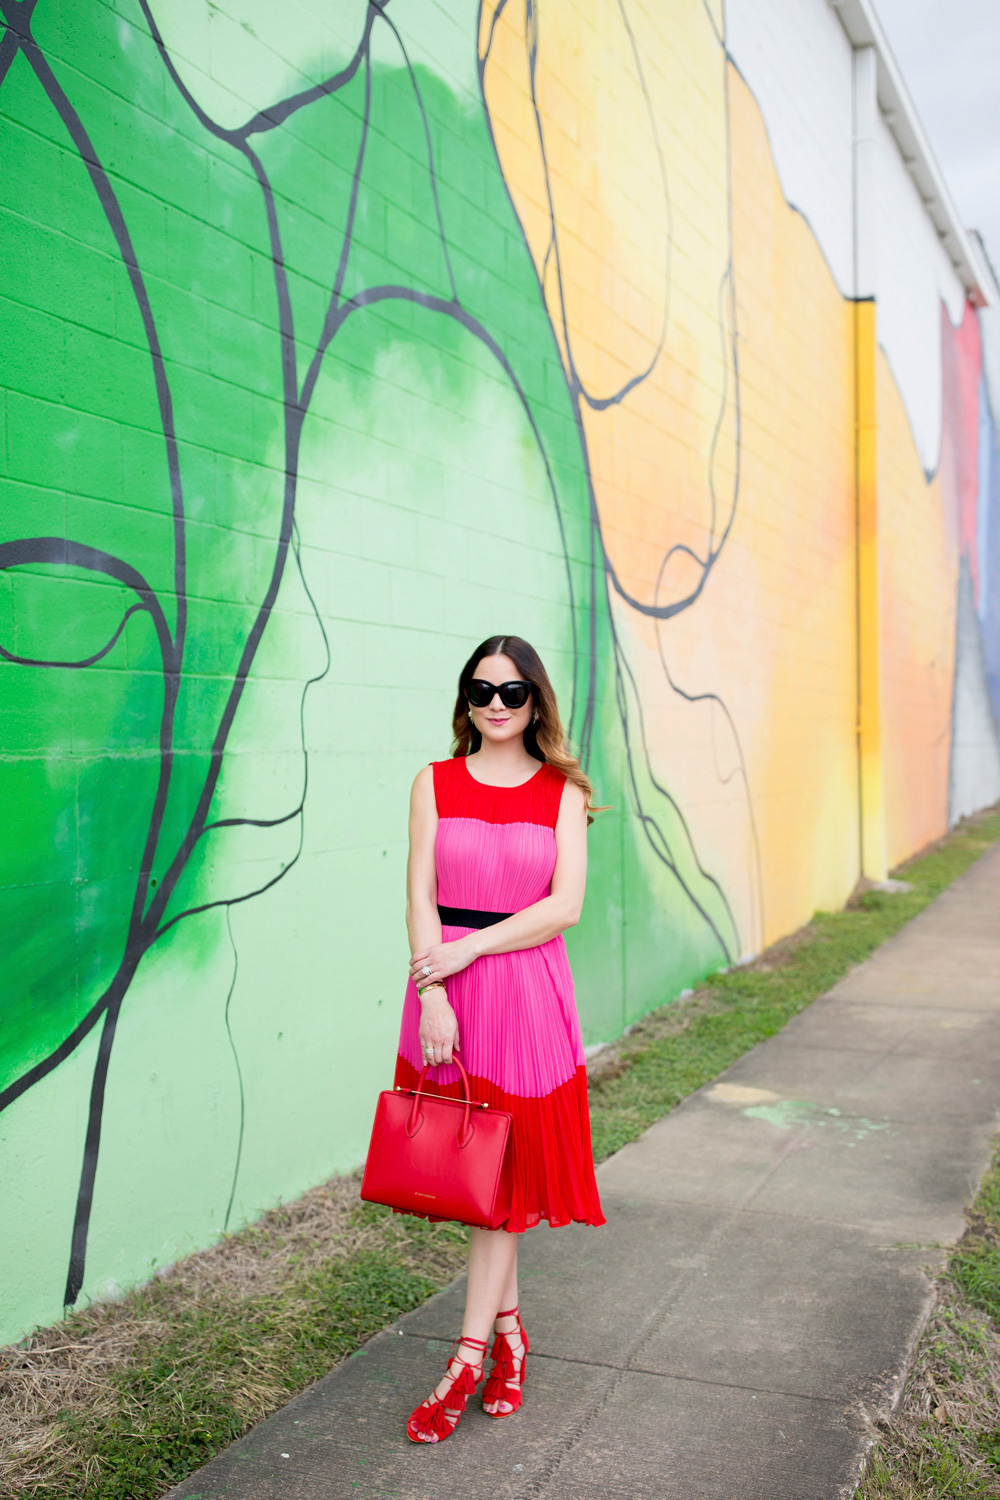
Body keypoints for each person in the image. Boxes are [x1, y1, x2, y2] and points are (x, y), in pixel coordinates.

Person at [396, 633, 605, 1444]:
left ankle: (467, 1356)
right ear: (466, 699)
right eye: (480, 690)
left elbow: (565, 907)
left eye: (512, 693)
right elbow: (418, 893)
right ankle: (510, 1340)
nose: (494, 705)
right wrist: (434, 992)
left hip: (525, 992)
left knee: (504, 1185)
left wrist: (469, 948)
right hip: (447, 992)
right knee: (481, 1181)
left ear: (536, 701)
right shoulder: (433, 781)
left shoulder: (562, 791)